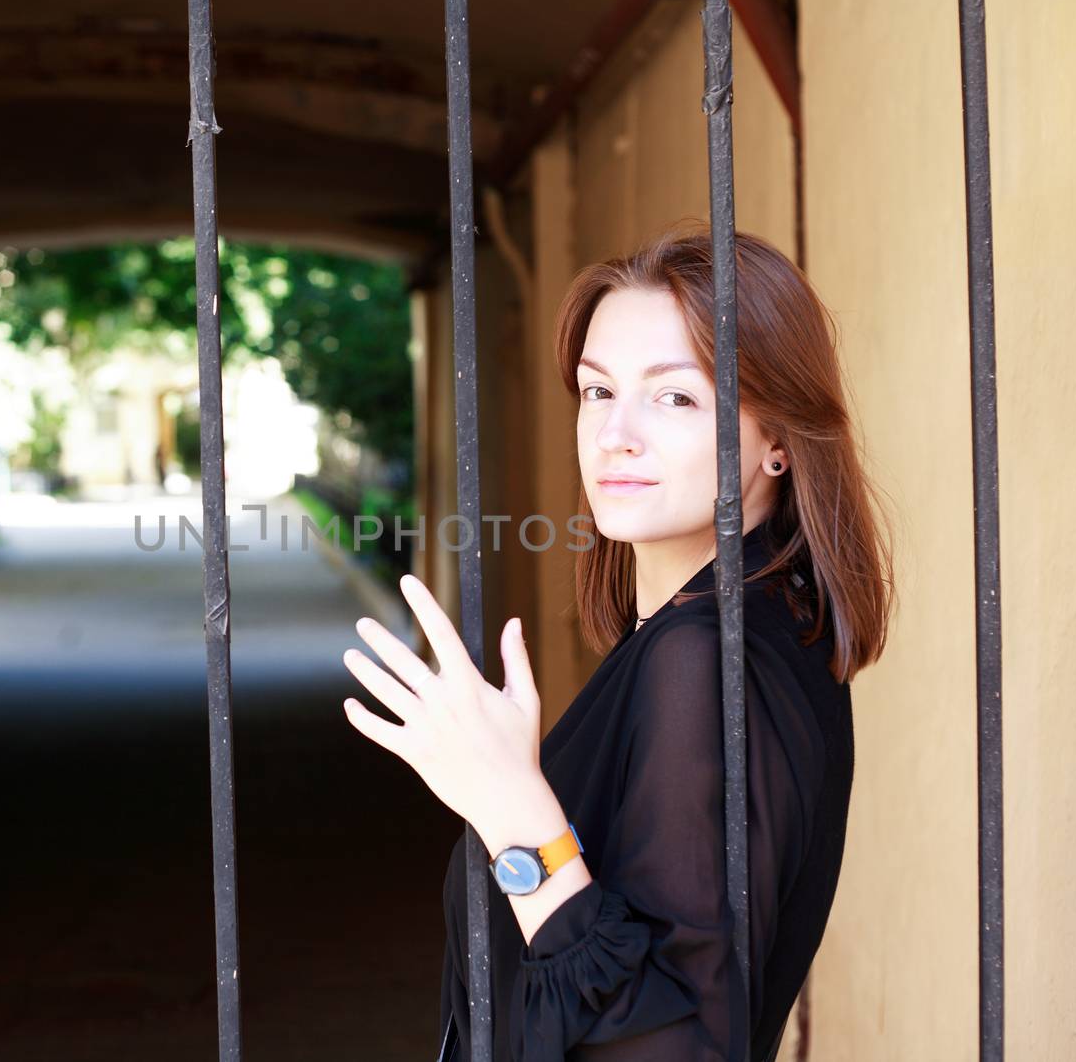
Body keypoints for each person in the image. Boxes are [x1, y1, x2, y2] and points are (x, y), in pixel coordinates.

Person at [339, 224, 894, 1061]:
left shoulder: (704, 659)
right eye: (598, 392)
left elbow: (675, 1045)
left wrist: (513, 811)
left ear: (778, 438)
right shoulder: (752, 624)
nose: (614, 434)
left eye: (676, 397)